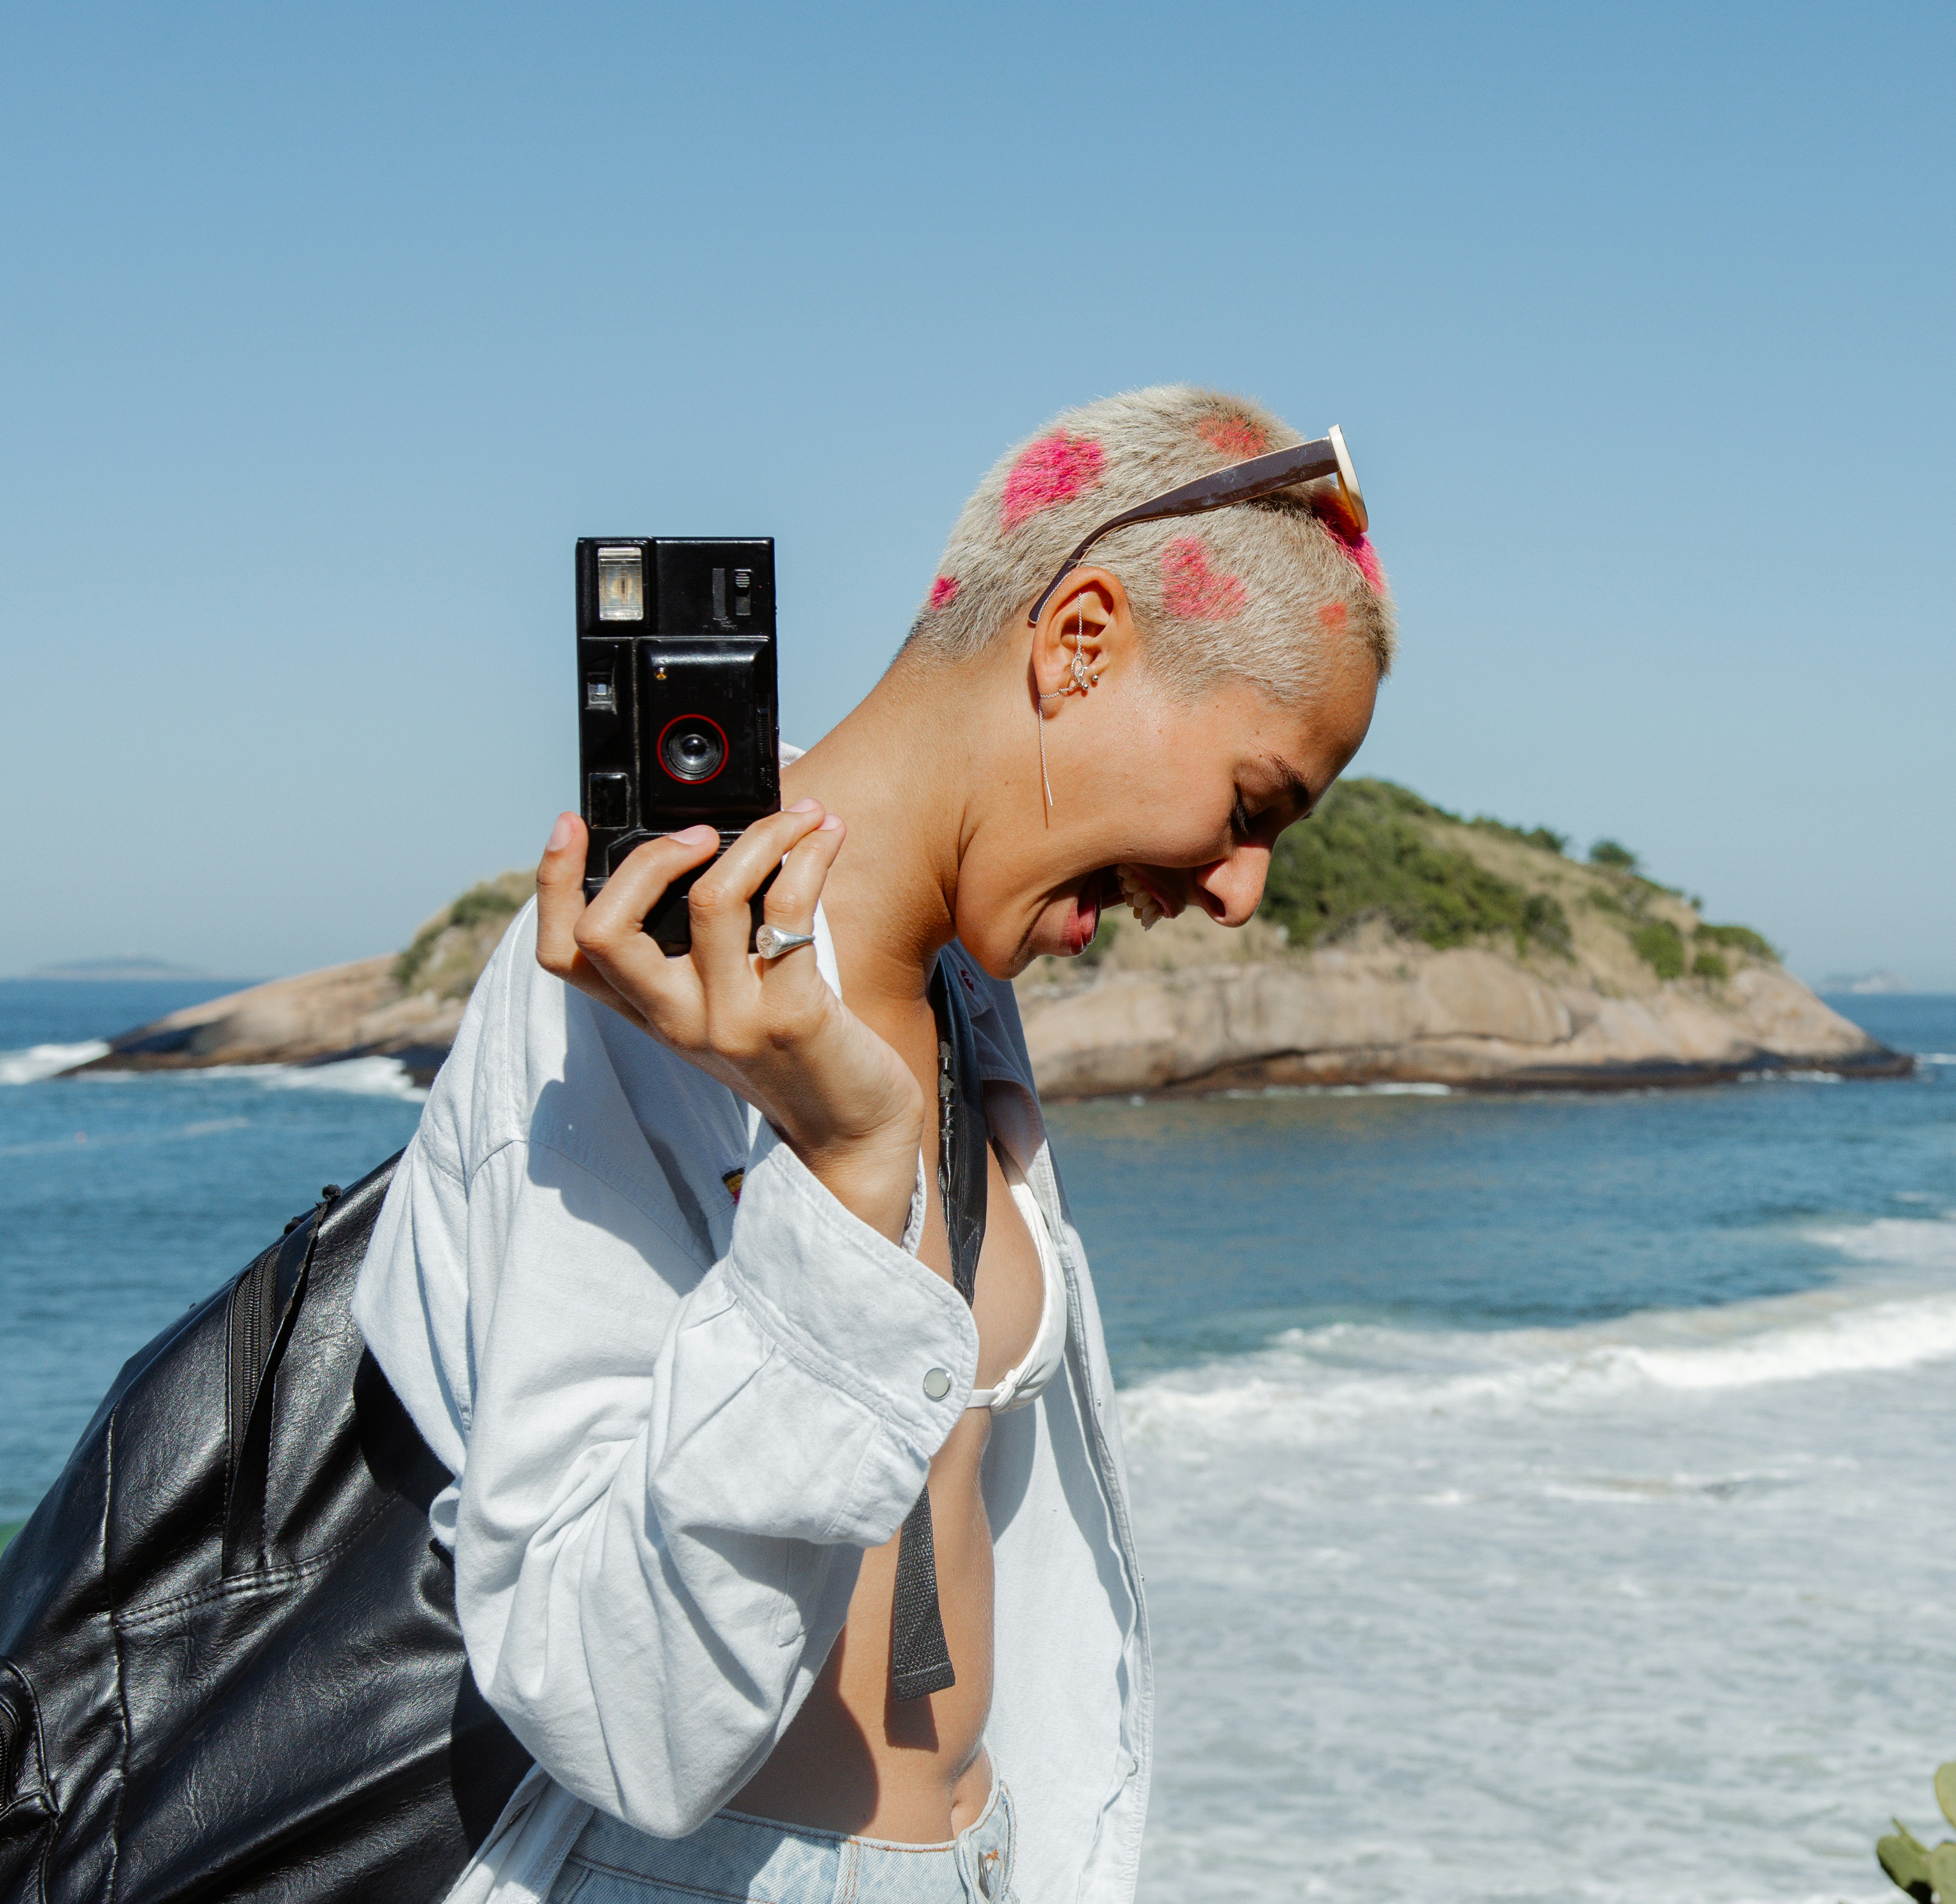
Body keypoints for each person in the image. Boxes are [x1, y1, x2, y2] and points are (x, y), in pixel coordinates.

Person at [352, 385, 1392, 1904]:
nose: (1239, 890)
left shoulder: (971, 996)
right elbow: (609, 1705)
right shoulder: (640, 980)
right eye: (1251, 804)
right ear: (1079, 639)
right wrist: (845, 1168)